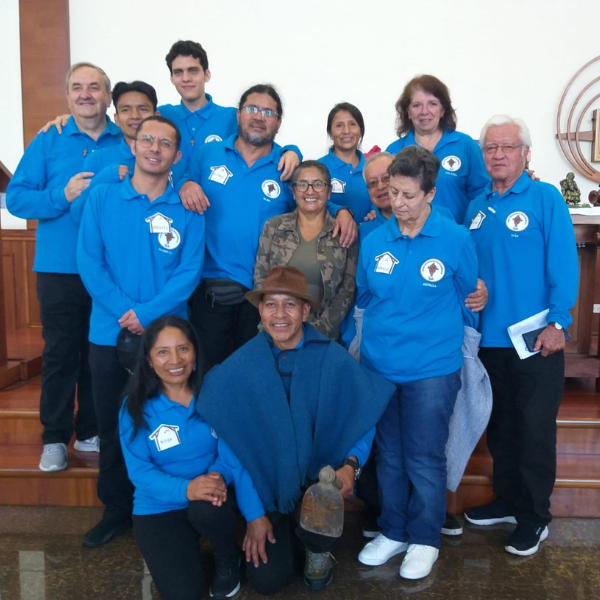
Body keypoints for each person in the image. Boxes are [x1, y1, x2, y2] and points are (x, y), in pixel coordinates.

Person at [198, 266, 395, 593]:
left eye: (290, 304)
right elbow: (235, 447)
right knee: (268, 581)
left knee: (321, 504)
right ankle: (281, 527)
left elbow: (362, 415)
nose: (279, 314)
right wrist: (253, 515)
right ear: (260, 310)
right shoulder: (241, 365)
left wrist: (350, 466)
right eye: (271, 304)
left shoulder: (331, 358)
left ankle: (317, 547)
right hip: (266, 483)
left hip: (318, 481)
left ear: (305, 311)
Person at [77, 115, 205, 548]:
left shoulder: (188, 206)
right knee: (115, 425)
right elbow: (90, 264)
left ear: (176, 155)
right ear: (132, 145)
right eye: (146, 139)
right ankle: (117, 509)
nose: (154, 148)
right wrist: (125, 312)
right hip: (107, 333)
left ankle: (166, 506)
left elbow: (189, 272)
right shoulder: (102, 198)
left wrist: (147, 314)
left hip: (167, 340)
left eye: (164, 143)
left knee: (164, 422)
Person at [356, 146, 479, 580]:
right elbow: (365, 297)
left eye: (409, 195)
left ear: (430, 193)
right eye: (393, 192)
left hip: (432, 368)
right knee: (388, 454)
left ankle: (425, 538)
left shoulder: (456, 239)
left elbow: (468, 295)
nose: (398, 203)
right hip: (379, 365)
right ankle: (394, 530)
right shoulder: (374, 241)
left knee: (424, 457)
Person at [178, 84, 357, 368]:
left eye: (268, 112)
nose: (259, 116)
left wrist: (342, 210)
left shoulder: (285, 167)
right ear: (238, 114)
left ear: (278, 122)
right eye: (252, 109)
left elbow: (310, 197)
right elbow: (181, 181)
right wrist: (185, 183)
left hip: (264, 295)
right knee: (209, 374)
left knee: (258, 376)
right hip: (212, 290)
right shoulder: (207, 154)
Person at [464, 115, 579, 556]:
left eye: (507, 147)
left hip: (536, 340)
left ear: (526, 153)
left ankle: (534, 517)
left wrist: (558, 322)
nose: (498, 154)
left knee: (533, 430)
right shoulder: (474, 207)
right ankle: (508, 501)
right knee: (502, 427)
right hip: (487, 341)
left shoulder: (545, 198)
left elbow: (563, 263)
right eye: (490, 148)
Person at [6, 62, 121, 472]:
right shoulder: (49, 139)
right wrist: (61, 194)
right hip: (59, 269)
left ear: (108, 96)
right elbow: (16, 199)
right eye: (77, 87)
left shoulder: (126, 139)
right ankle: (54, 437)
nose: (86, 94)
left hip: (110, 271)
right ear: (67, 96)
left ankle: (89, 429)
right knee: (60, 354)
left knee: (99, 353)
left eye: (94, 87)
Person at [119, 316, 244, 600]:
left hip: (213, 495)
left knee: (208, 508)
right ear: (149, 359)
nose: (175, 359)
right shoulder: (134, 406)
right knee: (184, 594)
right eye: (163, 351)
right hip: (158, 505)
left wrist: (216, 476)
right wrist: (186, 489)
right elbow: (140, 472)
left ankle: (227, 558)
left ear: (195, 352)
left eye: (183, 349)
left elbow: (231, 448)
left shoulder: (215, 392)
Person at [159, 39, 301, 179]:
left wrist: (291, 151)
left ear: (207, 75)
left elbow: (263, 143)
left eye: (193, 71)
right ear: (171, 78)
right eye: (178, 72)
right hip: (170, 199)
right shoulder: (162, 116)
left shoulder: (232, 116)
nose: (186, 78)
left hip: (217, 196)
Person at [254, 160, 358, 341]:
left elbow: (347, 290)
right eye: (302, 184)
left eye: (318, 184)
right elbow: (261, 278)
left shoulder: (345, 231)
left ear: (328, 192)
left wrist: (318, 330)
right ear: (293, 192)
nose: (310, 191)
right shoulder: (274, 226)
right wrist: (276, 322)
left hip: (323, 336)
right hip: (275, 331)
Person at [71, 80, 188, 224]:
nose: (135, 116)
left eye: (143, 109)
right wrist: (104, 177)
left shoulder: (177, 164)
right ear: (117, 119)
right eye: (126, 109)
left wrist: (187, 184)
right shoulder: (97, 159)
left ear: (157, 115)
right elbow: (77, 216)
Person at [387, 74, 489, 224]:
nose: (424, 111)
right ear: (407, 112)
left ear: (443, 110)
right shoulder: (394, 150)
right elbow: (383, 197)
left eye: (432, 104)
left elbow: (483, 195)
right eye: (417, 105)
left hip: (455, 239)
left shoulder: (465, 146)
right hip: (408, 241)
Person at [317, 103, 372, 222]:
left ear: (361, 131)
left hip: (367, 237)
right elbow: (308, 201)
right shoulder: (317, 168)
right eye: (339, 125)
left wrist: (376, 211)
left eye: (352, 124)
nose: (346, 131)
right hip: (328, 239)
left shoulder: (372, 168)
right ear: (330, 133)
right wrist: (338, 210)